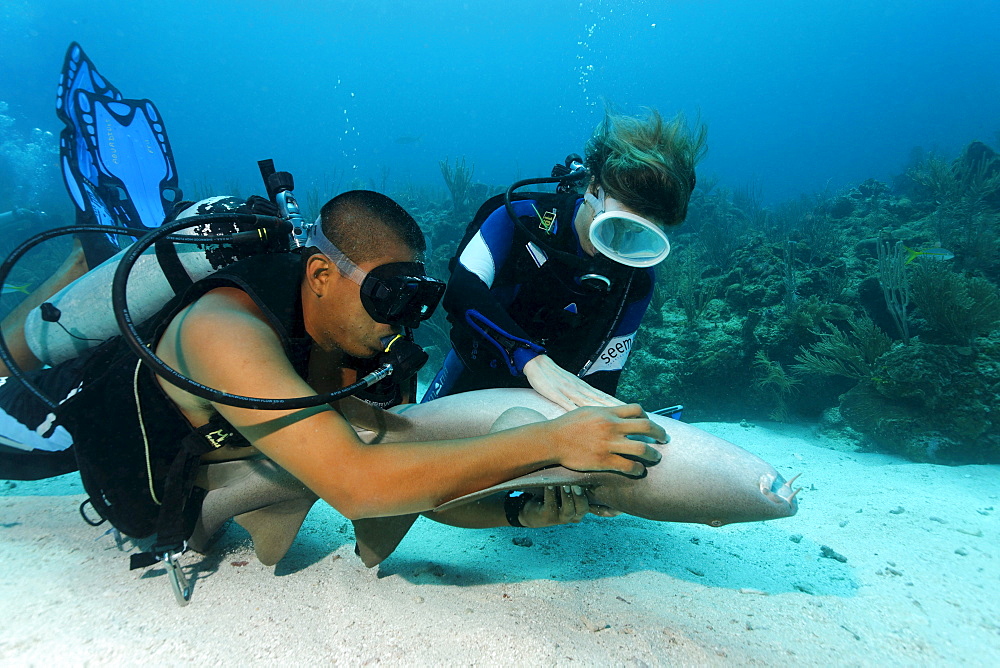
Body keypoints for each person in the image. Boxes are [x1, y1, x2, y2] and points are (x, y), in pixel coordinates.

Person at [422, 109, 706, 411]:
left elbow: (604, 372)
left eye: (639, 233)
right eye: (615, 223)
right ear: (593, 187)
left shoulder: (638, 278)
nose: (618, 243)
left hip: (549, 404)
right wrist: (529, 357)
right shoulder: (522, 219)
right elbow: (461, 289)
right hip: (470, 375)